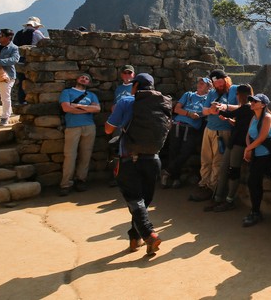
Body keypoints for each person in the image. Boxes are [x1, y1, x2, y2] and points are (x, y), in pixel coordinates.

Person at [104, 73, 173, 256]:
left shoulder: (127, 101)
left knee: (134, 200)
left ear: (135, 86)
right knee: (142, 203)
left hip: (129, 159)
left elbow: (108, 128)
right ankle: (135, 238)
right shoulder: (163, 104)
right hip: (153, 159)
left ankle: (149, 234)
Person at [190, 69, 238, 202]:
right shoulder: (212, 93)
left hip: (223, 131)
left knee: (218, 161)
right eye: (216, 83)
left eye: (221, 82)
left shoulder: (235, 90)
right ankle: (203, 183)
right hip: (209, 129)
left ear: (226, 79)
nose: (219, 85)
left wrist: (225, 106)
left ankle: (213, 188)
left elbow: (243, 106)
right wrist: (211, 110)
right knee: (205, 159)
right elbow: (204, 111)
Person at [206, 84, 254, 212]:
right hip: (233, 141)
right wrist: (227, 118)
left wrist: (218, 109)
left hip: (239, 143)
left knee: (233, 171)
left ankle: (229, 200)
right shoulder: (245, 108)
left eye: (238, 94)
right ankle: (218, 198)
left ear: (242, 95)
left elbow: (231, 113)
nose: (236, 96)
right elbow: (237, 122)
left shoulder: (248, 108)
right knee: (224, 169)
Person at [163, 76, 212, 189]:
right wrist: (189, 114)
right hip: (178, 125)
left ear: (208, 88)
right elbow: (176, 109)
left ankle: (166, 171)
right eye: (199, 82)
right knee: (173, 152)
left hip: (192, 129)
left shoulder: (208, 100)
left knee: (185, 152)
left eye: (202, 83)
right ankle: (175, 178)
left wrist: (197, 114)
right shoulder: (188, 95)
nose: (199, 84)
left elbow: (206, 112)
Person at [58, 72, 101, 196]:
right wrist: (87, 108)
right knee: (70, 156)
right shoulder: (67, 92)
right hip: (72, 127)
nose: (84, 79)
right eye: (82, 77)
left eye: (87, 78)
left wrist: (76, 106)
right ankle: (66, 183)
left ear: (89, 82)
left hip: (89, 127)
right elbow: (66, 108)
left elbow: (97, 109)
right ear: (77, 79)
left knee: (85, 155)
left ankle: (81, 180)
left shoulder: (92, 95)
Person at [242, 93, 271, 227]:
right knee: (253, 182)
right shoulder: (254, 118)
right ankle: (255, 211)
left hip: (263, 155)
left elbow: (262, 138)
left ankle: (256, 212)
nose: (252, 103)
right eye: (251, 101)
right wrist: (249, 148)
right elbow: (248, 135)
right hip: (255, 154)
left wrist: (247, 149)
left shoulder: (267, 118)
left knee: (253, 182)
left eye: (255, 101)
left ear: (263, 104)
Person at [12, 16, 46, 105]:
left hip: (19, 60)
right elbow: (44, 43)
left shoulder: (18, 33)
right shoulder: (36, 33)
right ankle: (33, 101)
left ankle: (22, 101)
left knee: (21, 81)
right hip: (32, 60)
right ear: (36, 25)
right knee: (34, 80)